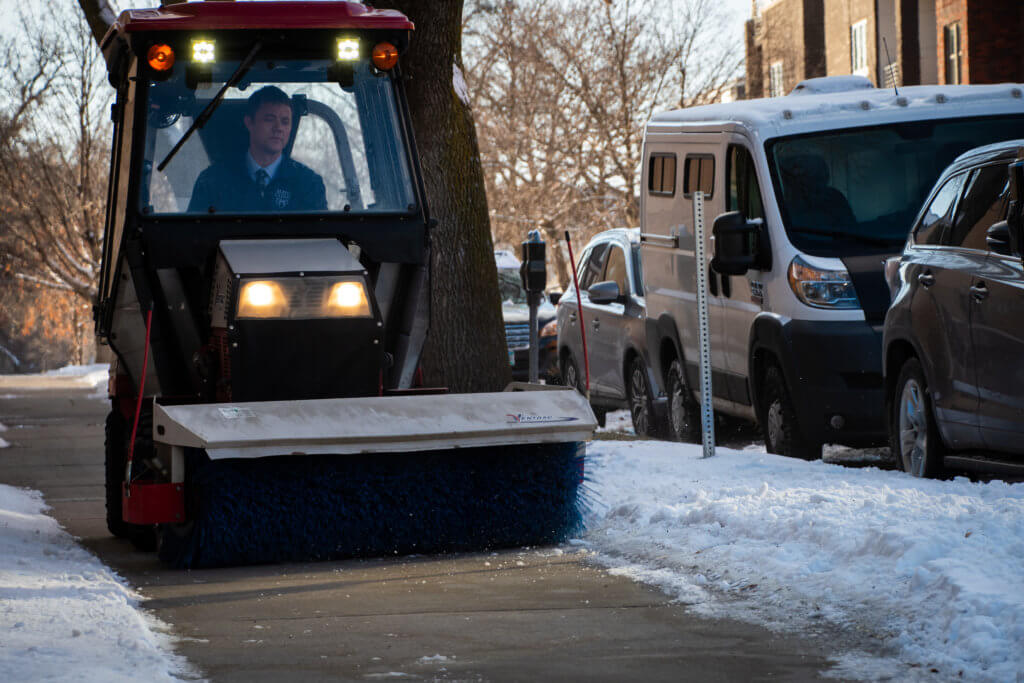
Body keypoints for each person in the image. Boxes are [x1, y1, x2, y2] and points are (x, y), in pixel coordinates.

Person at [188, 86, 327, 213]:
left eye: (285, 122)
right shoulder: (212, 181)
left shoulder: (308, 184)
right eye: (269, 119)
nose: (278, 128)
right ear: (249, 123)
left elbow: (319, 238)